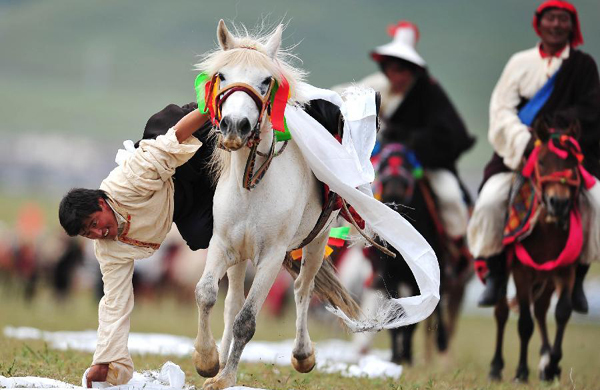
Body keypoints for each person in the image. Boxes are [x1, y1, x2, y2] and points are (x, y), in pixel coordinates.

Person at [59, 106, 212, 387]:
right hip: (182, 200)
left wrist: (210, 107)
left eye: (94, 221)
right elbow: (114, 302)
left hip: (187, 146)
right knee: (201, 236)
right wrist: (105, 362)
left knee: (220, 134)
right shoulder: (107, 249)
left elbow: (173, 140)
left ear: (102, 202)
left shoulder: (128, 181)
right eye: (87, 232)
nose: (97, 232)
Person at [467, 0, 600, 311]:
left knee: (598, 204)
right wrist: (524, 141)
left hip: (568, 158)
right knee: (489, 202)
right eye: (550, 18)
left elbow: (593, 113)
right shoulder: (519, 63)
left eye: (563, 19)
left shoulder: (584, 67)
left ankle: (579, 278)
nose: (556, 25)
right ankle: (497, 275)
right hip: (521, 153)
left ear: (572, 26)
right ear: (539, 25)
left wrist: (560, 135)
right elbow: (501, 110)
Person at [337, 21, 475, 242]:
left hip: (424, 164)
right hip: (382, 161)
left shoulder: (430, 92)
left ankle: (456, 249)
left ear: (412, 71)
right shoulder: (377, 86)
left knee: (450, 197)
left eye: (401, 70)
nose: (396, 76)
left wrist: (413, 142)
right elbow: (343, 98)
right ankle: (350, 243)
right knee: (351, 194)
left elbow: (449, 135)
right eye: (391, 70)